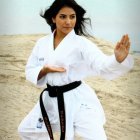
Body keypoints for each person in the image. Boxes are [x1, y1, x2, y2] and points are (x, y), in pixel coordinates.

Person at [18, 0, 134, 140]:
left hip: (77, 99)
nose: (68, 21)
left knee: (97, 137)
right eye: (63, 16)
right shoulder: (42, 43)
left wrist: (117, 59)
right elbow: (30, 69)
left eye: (72, 17)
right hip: (51, 98)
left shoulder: (81, 44)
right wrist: (44, 70)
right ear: (53, 18)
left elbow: (101, 63)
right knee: (26, 130)